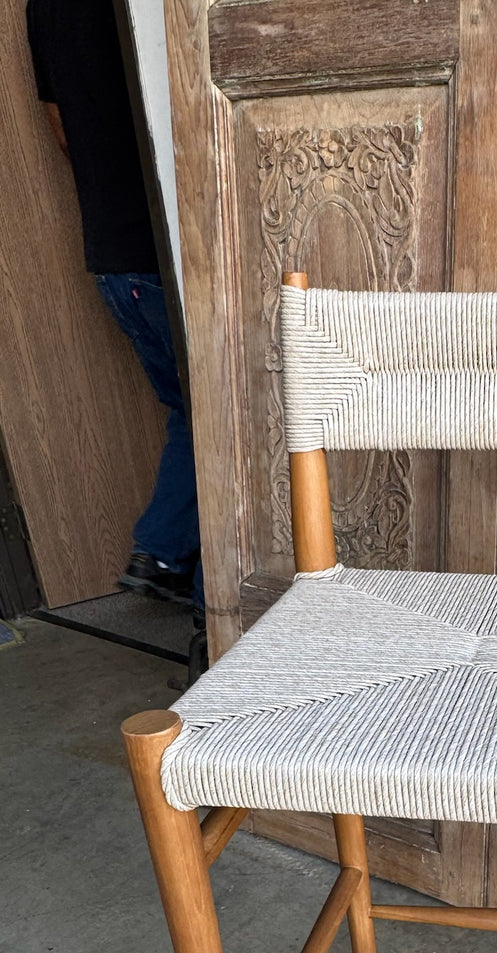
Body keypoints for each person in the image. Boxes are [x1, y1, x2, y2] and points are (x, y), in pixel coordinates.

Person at [26, 0, 203, 615]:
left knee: (192, 411)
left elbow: (61, 126)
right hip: (166, 253)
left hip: (111, 259)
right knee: (218, 418)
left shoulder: (43, 9)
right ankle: (183, 571)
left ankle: (166, 558)